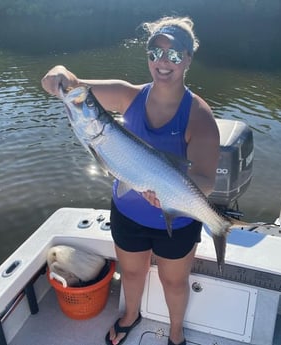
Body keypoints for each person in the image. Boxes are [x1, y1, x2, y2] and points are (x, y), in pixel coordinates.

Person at [42, 16, 219, 345]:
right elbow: (67, 84)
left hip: (177, 220)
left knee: (174, 283)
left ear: (189, 59)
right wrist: (59, 76)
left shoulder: (200, 115)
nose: (163, 62)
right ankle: (130, 314)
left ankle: (176, 334)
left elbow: (206, 181)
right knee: (133, 273)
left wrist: (170, 196)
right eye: (155, 52)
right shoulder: (127, 95)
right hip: (128, 213)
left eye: (174, 55)